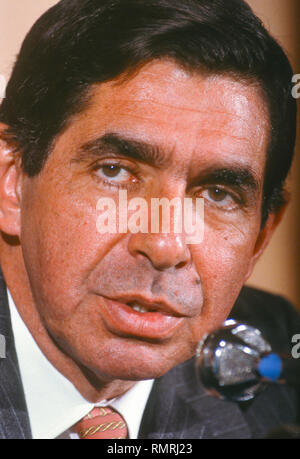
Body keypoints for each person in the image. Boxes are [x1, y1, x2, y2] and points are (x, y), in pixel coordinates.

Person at [0, 0, 299, 440]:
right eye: (115, 171)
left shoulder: (275, 366)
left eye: (218, 194)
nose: (165, 245)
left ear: (259, 238)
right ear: (12, 183)